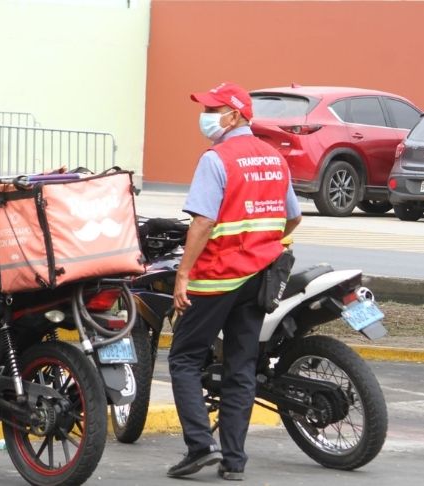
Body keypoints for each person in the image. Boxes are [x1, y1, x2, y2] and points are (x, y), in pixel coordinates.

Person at [167, 82, 302, 481]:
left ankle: (199, 446)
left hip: (216, 278)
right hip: (258, 276)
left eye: (214, 109)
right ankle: (234, 462)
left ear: (236, 115)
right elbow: (292, 216)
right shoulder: (275, 158)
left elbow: (203, 221)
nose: (207, 116)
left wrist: (183, 273)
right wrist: (261, 242)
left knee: (185, 358)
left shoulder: (217, 158)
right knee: (241, 367)